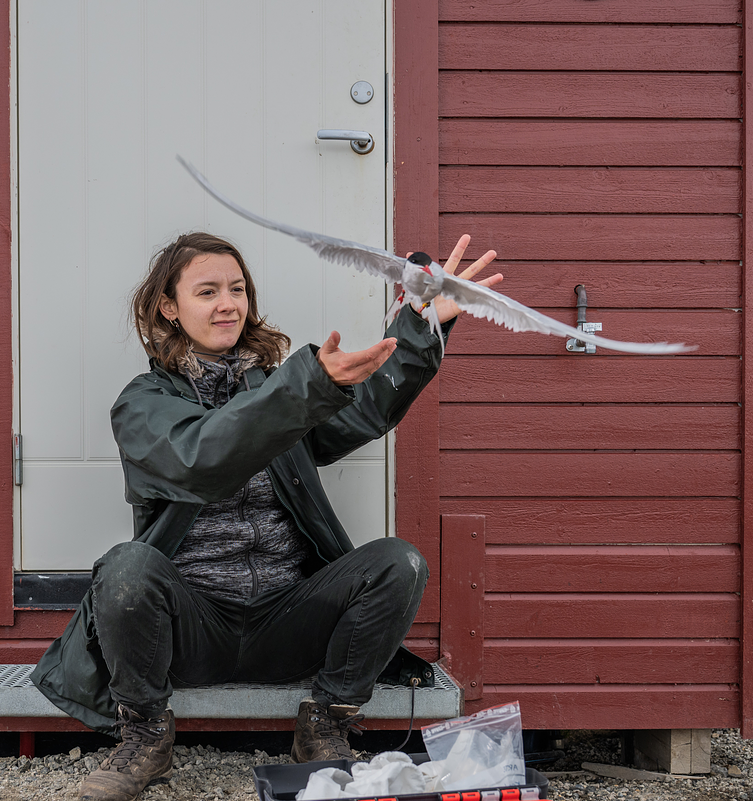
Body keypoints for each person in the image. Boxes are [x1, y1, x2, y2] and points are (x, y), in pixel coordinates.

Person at [32, 231, 502, 801]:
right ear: (169, 307)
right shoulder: (143, 403)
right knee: (126, 567)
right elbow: (202, 455)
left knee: (397, 562)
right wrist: (303, 389)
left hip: (288, 621)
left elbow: (365, 407)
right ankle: (145, 736)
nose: (228, 303)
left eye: (237, 289)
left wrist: (422, 324)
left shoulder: (284, 391)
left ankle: (325, 722)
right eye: (207, 291)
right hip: (192, 631)